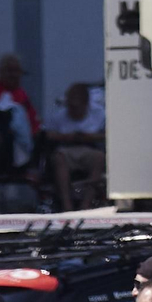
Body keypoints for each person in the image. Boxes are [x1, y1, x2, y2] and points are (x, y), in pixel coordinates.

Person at [47, 82, 106, 211]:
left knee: (100, 158)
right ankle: (67, 205)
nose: (72, 109)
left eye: (76, 106)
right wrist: (66, 137)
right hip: (66, 149)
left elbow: (107, 134)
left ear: (85, 103)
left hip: (90, 148)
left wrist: (89, 137)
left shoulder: (99, 114)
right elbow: (49, 134)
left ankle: (86, 204)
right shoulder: (59, 115)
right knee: (58, 158)